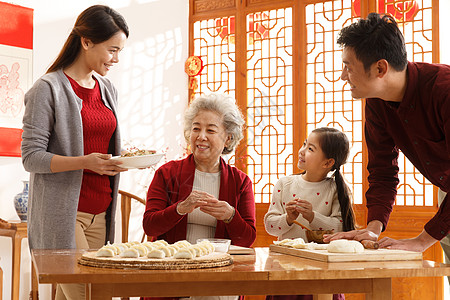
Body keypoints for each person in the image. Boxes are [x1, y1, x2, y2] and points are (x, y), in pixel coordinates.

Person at [21, 5, 129, 300]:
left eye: (120, 51)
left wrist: (119, 161)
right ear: (86, 41)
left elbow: (103, 144)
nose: (116, 59)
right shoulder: (47, 88)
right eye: (112, 49)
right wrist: (85, 163)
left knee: (87, 294)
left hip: (102, 214)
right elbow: (31, 156)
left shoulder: (107, 89)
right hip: (65, 216)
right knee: (89, 295)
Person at [323, 13, 450, 255]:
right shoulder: (377, 103)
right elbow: (382, 171)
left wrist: (422, 241)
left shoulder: (444, 90)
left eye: (348, 67)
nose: (342, 76)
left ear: (380, 67)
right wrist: (373, 227)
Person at [142, 94, 256, 300]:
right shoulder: (167, 174)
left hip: (219, 274)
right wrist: (180, 208)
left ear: (228, 138)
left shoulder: (240, 182)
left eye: (210, 130)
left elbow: (247, 239)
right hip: (173, 272)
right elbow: (150, 226)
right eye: (196, 128)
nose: (201, 136)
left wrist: (231, 215)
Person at [264, 127, 355, 300]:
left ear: (327, 163)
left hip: (323, 273)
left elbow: (340, 228)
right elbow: (270, 227)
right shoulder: (285, 184)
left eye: (311, 149)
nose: (302, 150)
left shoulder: (336, 189)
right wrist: (288, 219)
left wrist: (313, 217)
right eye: (305, 144)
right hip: (285, 270)